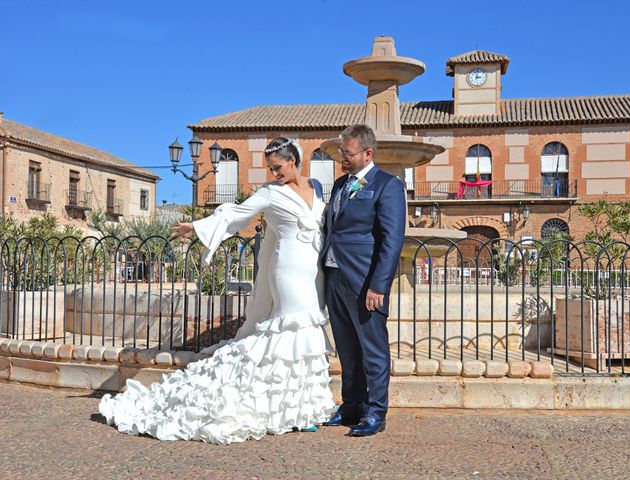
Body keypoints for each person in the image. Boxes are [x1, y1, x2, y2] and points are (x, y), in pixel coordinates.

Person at [99, 137, 335, 444]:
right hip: (287, 269)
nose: (273, 173)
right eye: (269, 168)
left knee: (308, 332)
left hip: (313, 270)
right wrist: (196, 227)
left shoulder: (316, 189)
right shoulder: (269, 193)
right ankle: (284, 408)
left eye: (277, 167)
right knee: (292, 328)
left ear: (293, 161)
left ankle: (302, 408)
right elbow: (235, 214)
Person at [321, 124, 406, 437]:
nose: (343, 157)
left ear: (368, 153)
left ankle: (375, 412)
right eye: (343, 151)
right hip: (335, 277)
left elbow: (392, 240)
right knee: (346, 348)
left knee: (373, 349)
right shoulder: (340, 184)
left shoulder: (388, 185)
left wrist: (378, 285)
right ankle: (351, 406)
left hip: (365, 281)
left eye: (348, 152)